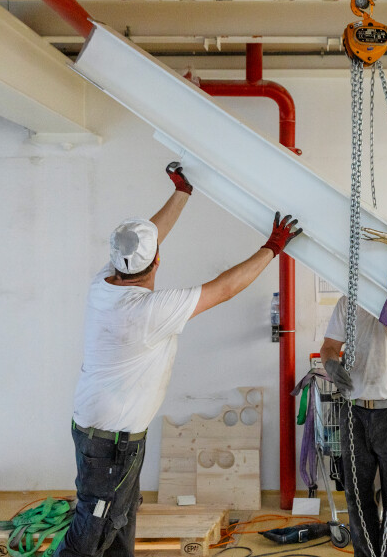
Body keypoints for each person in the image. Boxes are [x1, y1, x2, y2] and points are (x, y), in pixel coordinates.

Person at [55, 163, 302, 557]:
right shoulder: (148, 311)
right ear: (157, 261)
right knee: (94, 527)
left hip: (102, 431)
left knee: (120, 518)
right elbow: (224, 288)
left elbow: (147, 240)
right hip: (112, 442)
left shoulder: (105, 283)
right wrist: (272, 247)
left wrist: (182, 192)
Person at [320, 297, 387, 557]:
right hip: (354, 411)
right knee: (357, 495)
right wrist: (331, 364)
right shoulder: (348, 302)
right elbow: (329, 346)